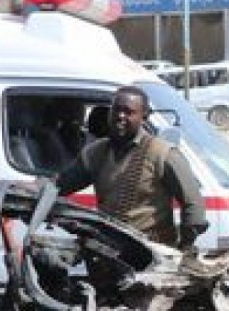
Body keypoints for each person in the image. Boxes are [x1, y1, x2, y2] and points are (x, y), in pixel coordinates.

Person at [55, 86, 207, 251]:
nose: (120, 116)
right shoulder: (96, 152)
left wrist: (185, 246)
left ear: (144, 116)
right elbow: (60, 184)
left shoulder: (163, 154)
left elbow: (194, 207)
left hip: (151, 255)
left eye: (128, 112)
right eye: (116, 110)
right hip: (109, 253)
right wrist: (35, 190)